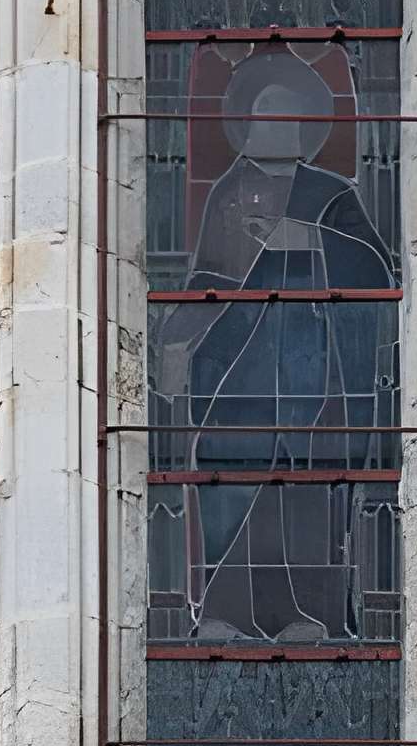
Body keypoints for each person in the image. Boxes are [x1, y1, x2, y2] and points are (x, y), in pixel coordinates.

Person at [157, 50, 397, 646]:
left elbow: (376, 271)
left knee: (300, 491)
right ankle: (221, 610)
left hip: (312, 366)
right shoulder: (229, 192)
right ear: (247, 125)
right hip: (234, 364)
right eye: (267, 120)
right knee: (227, 483)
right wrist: (175, 338)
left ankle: (301, 610)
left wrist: (308, 237)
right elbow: (206, 274)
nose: (278, 132)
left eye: (290, 122)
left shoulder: (331, 193)